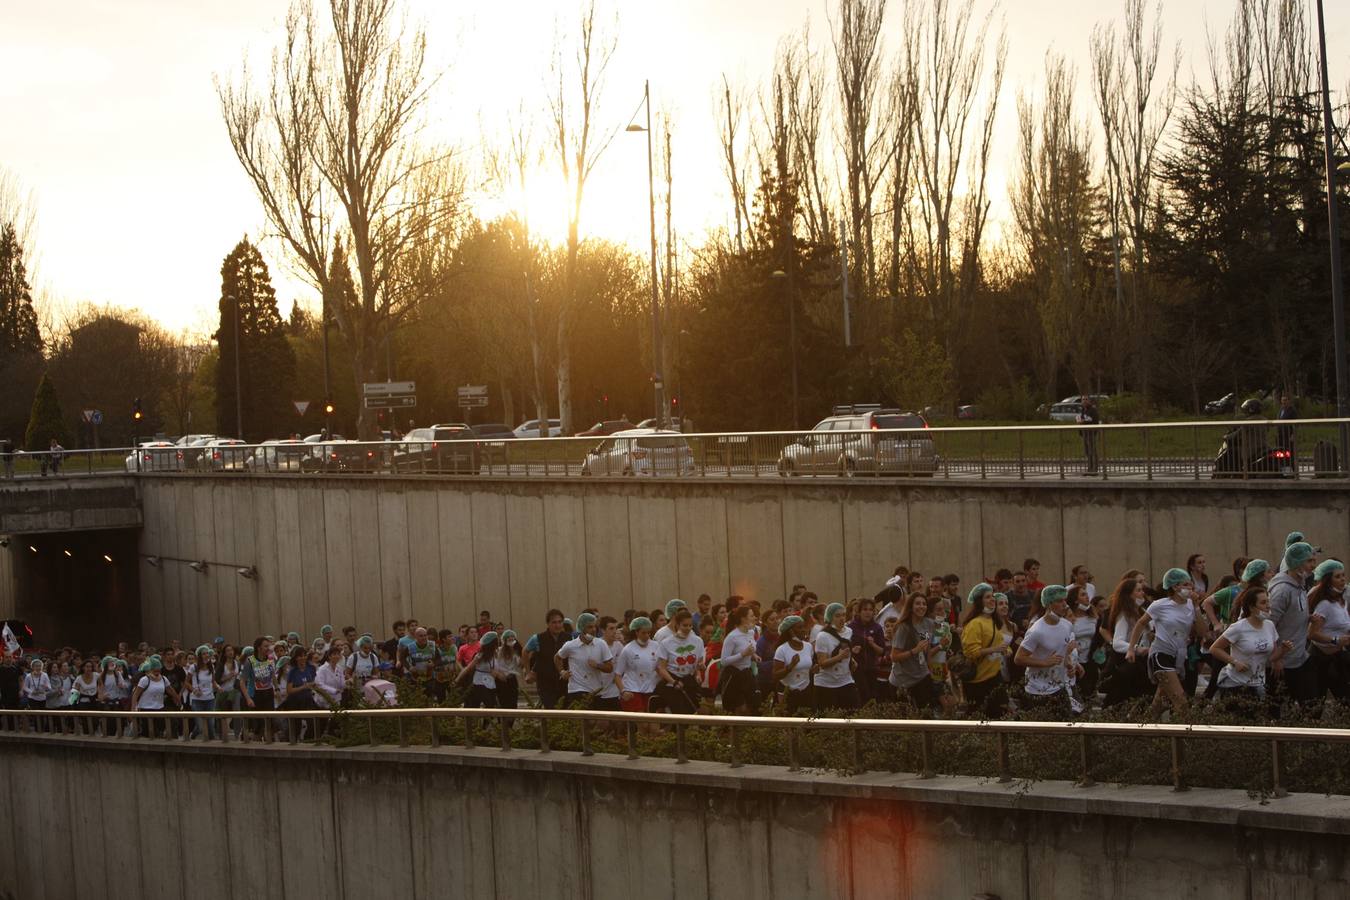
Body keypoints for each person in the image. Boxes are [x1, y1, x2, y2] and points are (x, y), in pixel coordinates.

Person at [1126, 568, 1199, 719]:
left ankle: (1138, 729)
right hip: (1161, 653)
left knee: (1159, 705)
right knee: (1181, 702)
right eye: (1185, 584)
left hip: (1178, 655)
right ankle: (1186, 738)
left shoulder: (1190, 605)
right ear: (1175, 586)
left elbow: (1203, 630)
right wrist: (1131, 649)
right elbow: (1140, 624)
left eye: (1190, 584)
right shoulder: (1160, 605)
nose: (1189, 588)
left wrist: (1197, 606)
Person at [1209, 586, 1292, 710]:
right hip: (1235, 683)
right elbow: (1214, 649)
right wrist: (1235, 662)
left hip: (1258, 683)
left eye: (1268, 601)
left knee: (1256, 722)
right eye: (1263, 603)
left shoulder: (1269, 626)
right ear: (1252, 607)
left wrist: (1283, 650)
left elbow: (1271, 657)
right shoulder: (1239, 627)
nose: (1268, 606)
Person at [1015, 585, 1080, 712]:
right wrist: (1044, 663)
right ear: (1049, 604)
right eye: (1059, 601)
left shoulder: (1067, 625)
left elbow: (1062, 650)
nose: (1064, 605)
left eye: (1064, 600)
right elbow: (1019, 658)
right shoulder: (1036, 630)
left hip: (1059, 687)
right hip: (1037, 691)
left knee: (1067, 726)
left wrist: (1068, 664)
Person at [1268, 541, 1318, 705]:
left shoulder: (1299, 586)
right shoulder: (1282, 590)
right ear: (1297, 563)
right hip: (1283, 663)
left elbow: (1291, 615)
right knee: (1278, 709)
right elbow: (1269, 625)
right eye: (1309, 561)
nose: (1313, 565)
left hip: (1299, 658)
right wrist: (1276, 657)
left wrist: (1307, 618)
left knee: (1310, 705)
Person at [959, 584, 1009, 717]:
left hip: (995, 677)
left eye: (992, 596)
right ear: (979, 601)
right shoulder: (974, 624)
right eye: (987, 597)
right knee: (980, 717)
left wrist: (1005, 649)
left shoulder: (992, 621)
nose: (992, 599)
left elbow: (999, 642)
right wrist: (995, 649)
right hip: (979, 681)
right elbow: (971, 652)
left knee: (1001, 714)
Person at [1101, 577, 1151, 707]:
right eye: (1138, 591)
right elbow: (1117, 642)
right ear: (1129, 595)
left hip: (1140, 664)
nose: (1142, 594)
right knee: (1120, 699)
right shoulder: (1124, 615)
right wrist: (1137, 648)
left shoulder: (1141, 612)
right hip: (1128, 664)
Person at [556, 613, 618, 710]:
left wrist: (597, 665)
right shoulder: (571, 645)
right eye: (590, 627)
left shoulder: (601, 644)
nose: (593, 630)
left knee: (598, 723)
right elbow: (557, 657)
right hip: (577, 689)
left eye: (594, 627)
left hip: (596, 690)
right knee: (584, 720)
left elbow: (610, 668)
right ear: (581, 628)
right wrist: (562, 671)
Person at [1308, 559, 1350, 701]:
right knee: (1316, 703)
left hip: (1338, 658)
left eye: (1343, 575)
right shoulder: (1324, 604)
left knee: (1345, 700)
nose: (1342, 579)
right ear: (1328, 580)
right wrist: (1335, 639)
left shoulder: (1341, 601)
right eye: (1337, 576)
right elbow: (1312, 634)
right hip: (1320, 659)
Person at [888, 595, 934, 713]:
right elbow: (894, 657)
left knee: (926, 715)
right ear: (911, 607)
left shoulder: (929, 623)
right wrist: (914, 651)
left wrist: (930, 669)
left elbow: (927, 647)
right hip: (902, 681)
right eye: (918, 604)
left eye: (924, 604)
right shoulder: (903, 628)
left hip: (922, 676)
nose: (921, 607)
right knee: (905, 720)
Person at [656, 609, 705, 714]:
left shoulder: (698, 641)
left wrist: (698, 672)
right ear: (677, 625)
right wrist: (674, 682)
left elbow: (698, 664)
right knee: (679, 712)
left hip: (690, 681)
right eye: (684, 625)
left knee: (695, 711)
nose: (688, 628)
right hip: (673, 681)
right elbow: (662, 668)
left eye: (690, 625)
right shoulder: (666, 643)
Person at [615, 617, 661, 716]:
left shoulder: (656, 646)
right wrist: (623, 691)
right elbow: (617, 675)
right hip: (632, 690)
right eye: (643, 633)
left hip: (650, 690)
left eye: (649, 633)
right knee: (642, 723)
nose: (647, 636)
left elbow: (660, 668)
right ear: (636, 632)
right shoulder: (628, 649)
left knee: (653, 726)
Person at [719, 606, 761, 714]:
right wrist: (742, 654)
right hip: (734, 675)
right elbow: (724, 661)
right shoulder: (732, 637)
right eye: (751, 616)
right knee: (739, 709)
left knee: (752, 707)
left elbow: (749, 648)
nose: (754, 618)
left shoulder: (750, 632)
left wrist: (753, 655)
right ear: (743, 619)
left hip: (747, 673)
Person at [527, 609, 570, 709]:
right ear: (548, 623)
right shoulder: (538, 638)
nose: (557, 625)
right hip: (545, 683)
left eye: (560, 622)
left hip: (564, 683)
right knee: (551, 711)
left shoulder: (569, 638)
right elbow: (525, 652)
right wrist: (529, 672)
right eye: (554, 622)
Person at [772, 615, 814, 714]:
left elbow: (806, 668)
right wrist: (790, 666)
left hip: (805, 691)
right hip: (788, 693)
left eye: (804, 626)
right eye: (799, 627)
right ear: (790, 631)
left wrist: (813, 670)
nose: (804, 630)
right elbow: (775, 675)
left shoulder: (808, 647)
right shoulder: (782, 649)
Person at [848, 599, 887, 702]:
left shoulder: (877, 628)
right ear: (859, 612)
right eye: (865, 609)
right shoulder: (850, 628)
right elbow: (844, 649)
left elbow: (882, 651)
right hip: (856, 670)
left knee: (872, 698)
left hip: (872, 669)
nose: (868, 612)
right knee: (860, 698)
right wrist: (852, 650)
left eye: (870, 610)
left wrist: (873, 644)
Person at [460, 631, 501, 709]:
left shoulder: (496, 654)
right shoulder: (480, 655)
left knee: (491, 706)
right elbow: (468, 668)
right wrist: (457, 680)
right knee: (487, 703)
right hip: (479, 682)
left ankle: (488, 721)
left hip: (491, 682)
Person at [185, 645, 218, 739]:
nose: (206, 655)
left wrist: (218, 687)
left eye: (207, 653)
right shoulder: (193, 667)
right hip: (197, 699)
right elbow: (186, 682)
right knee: (200, 727)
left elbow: (213, 681)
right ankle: (193, 735)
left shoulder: (211, 666)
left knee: (211, 726)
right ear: (199, 656)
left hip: (210, 699)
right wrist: (194, 690)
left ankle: (213, 745)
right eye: (204, 654)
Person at [1078, 396, 1100, 475]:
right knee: (1087, 451)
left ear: (1089, 401)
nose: (1084, 401)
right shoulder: (1083, 410)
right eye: (1083, 400)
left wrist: (1084, 421)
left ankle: (1094, 469)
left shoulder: (1093, 410)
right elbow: (1082, 420)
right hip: (1084, 433)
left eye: (1086, 399)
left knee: (1092, 451)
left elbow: (1094, 421)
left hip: (1091, 433)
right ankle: (1089, 468)